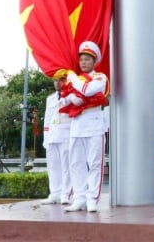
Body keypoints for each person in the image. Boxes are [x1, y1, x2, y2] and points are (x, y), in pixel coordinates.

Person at [62, 41, 109, 213]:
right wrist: (69, 99)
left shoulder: (100, 77)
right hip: (77, 125)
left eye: (87, 59)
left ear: (94, 61)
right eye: (81, 59)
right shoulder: (74, 80)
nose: (83, 62)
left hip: (94, 125)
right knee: (75, 163)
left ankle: (92, 199)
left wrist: (72, 77)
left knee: (94, 163)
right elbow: (63, 98)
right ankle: (79, 198)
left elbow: (87, 90)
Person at [40, 76, 72, 205]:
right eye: (55, 80)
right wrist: (46, 138)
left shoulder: (71, 96)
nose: (57, 83)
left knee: (67, 166)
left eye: (61, 80)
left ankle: (66, 194)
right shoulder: (50, 98)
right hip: (52, 136)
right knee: (53, 167)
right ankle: (55, 193)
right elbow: (47, 119)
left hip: (66, 135)